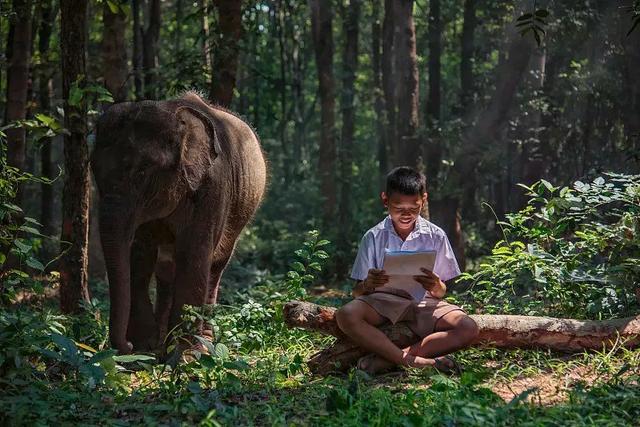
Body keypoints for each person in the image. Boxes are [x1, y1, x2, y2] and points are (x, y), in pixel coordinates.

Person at [335, 166, 479, 374]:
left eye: (414, 208)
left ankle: (390, 360)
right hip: (382, 302)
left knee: (468, 327)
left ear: (424, 200)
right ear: (385, 200)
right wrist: (367, 284)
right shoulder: (373, 236)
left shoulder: (436, 235)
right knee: (346, 315)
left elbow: (440, 292)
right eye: (398, 208)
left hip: (423, 302)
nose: (406, 215)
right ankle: (414, 362)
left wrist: (436, 285)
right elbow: (357, 292)